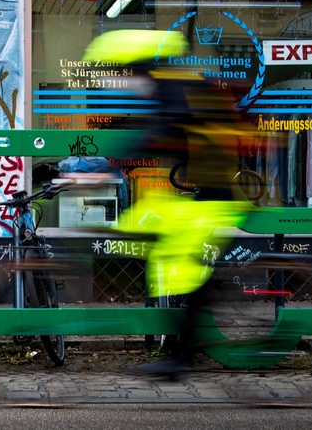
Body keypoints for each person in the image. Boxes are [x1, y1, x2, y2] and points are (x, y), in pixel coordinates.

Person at [82, 30, 256, 378]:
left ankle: (181, 357)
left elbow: (159, 133)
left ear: (134, 67)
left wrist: (111, 167)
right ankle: (189, 327)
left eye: (120, 73)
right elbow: (159, 134)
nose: (119, 81)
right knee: (146, 232)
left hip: (215, 197)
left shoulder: (173, 87)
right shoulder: (172, 85)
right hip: (206, 192)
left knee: (178, 270)